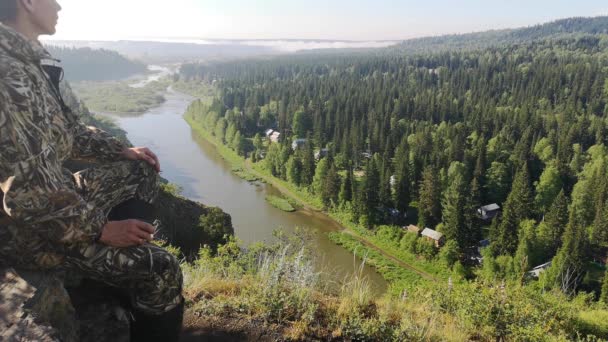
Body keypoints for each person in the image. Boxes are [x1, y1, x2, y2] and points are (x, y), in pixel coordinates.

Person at [0, 0, 183, 341]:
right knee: (163, 268)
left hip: (58, 199)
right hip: (30, 230)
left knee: (139, 169)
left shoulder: (32, 62)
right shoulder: (8, 74)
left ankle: (116, 273)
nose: (58, 5)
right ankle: (130, 275)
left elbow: (69, 133)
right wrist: (101, 230)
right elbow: (26, 196)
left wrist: (122, 150)